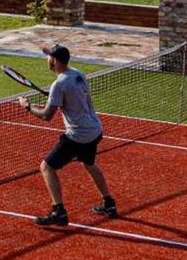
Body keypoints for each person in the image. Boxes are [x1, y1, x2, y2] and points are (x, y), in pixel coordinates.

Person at [19, 44, 115, 227]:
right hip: (94, 129)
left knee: (46, 167)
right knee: (89, 164)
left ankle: (58, 211)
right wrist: (55, 98)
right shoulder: (77, 74)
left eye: (49, 57)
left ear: (54, 61)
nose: (47, 59)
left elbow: (47, 115)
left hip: (78, 134)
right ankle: (109, 203)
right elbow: (73, 96)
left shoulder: (59, 84)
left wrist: (27, 106)